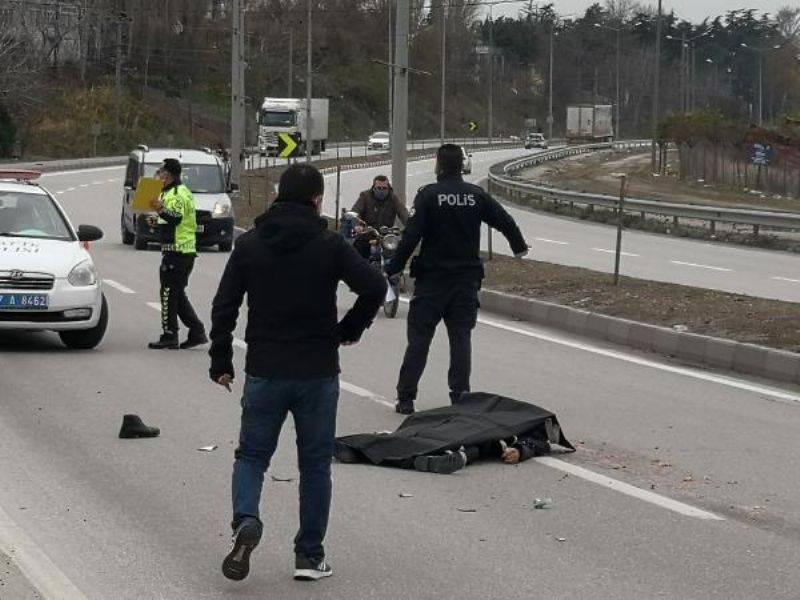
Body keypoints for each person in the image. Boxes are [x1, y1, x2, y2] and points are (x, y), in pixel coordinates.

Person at [208, 164, 386, 583]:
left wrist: (221, 361)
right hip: (317, 372)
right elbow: (375, 287)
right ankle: (309, 556)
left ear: (278, 196)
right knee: (315, 466)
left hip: (265, 371)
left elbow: (224, 305)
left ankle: (246, 521)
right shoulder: (329, 244)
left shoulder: (250, 244)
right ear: (315, 200)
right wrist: (348, 330)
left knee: (251, 457)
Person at [384, 144, 530, 415]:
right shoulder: (476, 195)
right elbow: (505, 221)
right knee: (460, 340)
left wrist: (394, 266)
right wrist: (518, 246)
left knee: (419, 340)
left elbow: (412, 235)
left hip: (432, 281)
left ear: (438, 164)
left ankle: (406, 398)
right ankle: (460, 396)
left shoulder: (428, 196)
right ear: (461, 165)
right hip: (465, 281)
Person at [334, 392, 574, 475]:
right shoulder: (528, 417)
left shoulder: (533, 425)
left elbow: (540, 443)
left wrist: (519, 451)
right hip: (467, 426)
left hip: (483, 440)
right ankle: (357, 448)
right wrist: (522, 450)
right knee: (422, 438)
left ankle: (442, 459)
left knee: (475, 446)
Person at [147, 158, 207, 350]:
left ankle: (169, 334)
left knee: (167, 293)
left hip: (178, 252)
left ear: (169, 175)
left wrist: (159, 209)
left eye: (161, 173)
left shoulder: (178, 194)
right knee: (176, 294)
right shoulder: (173, 192)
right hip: (181, 251)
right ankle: (197, 331)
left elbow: (176, 218)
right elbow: (175, 221)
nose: (158, 176)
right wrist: (157, 221)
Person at [350, 175, 408, 260]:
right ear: (373, 188)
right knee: (358, 253)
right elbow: (355, 211)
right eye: (379, 188)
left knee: (398, 253)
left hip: (386, 235)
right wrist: (357, 225)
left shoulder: (393, 199)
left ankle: (394, 270)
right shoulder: (365, 196)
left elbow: (403, 213)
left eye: (384, 188)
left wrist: (411, 226)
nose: (381, 191)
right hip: (367, 233)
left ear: (388, 188)